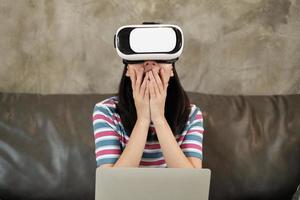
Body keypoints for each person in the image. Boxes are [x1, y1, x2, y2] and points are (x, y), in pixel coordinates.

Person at [92, 60, 204, 168]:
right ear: (127, 69)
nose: (150, 63)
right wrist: (143, 119)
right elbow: (111, 183)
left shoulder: (191, 114)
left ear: (171, 70)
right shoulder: (106, 111)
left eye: (160, 57)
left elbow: (192, 180)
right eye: (140, 57)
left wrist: (159, 118)